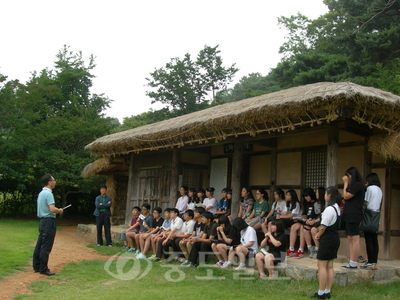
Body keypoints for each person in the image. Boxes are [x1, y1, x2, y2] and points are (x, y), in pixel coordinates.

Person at [311, 186, 341, 299]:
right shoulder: (337, 208)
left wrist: (318, 234)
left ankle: (321, 292)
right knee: (330, 266)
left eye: (325, 194)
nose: (324, 196)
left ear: (329, 195)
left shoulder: (329, 209)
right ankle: (327, 291)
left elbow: (323, 227)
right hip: (334, 238)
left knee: (321, 265)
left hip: (327, 239)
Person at [33, 174, 64, 276]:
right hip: (48, 221)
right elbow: (52, 209)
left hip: (42, 221)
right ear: (49, 182)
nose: (54, 182)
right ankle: (43, 268)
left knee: (40, 244)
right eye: (53, 180)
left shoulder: (41, 193)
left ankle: (36, 266)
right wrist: (59, 210)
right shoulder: (49, 194)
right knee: (46, 246)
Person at [341, 167, 365, 269]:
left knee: (355, 239)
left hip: (354, 214)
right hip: (350, 214)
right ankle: (351, 261)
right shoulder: (355, 185)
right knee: (350, 238)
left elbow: (345, 196)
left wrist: (345, 183)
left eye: (348, 175)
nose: (347, 178)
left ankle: (353, 262)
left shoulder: (358, 185)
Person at [361, 173, 383, 270]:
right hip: (377, 214)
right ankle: (374, 261)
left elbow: (365, 201)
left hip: (369, 214)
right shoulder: (379, 190)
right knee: (374, 239)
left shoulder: (370, 189)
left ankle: (370, 261)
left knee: (368, 239)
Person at [309, 187, 326, 258]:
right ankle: (312, 248)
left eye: (317, 192)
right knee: (306, 228)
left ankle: (317, 248)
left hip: (322, 222)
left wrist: (314, 221)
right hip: (315, 221)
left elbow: (323, 216)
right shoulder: (315, 203)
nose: (316, 194)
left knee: (314, 229)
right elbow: (312, 214)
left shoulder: (325, 204)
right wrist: (309, 220)